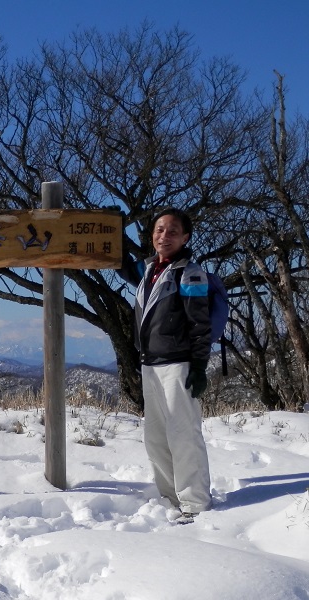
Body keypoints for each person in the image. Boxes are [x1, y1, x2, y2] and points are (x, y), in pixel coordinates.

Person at [120, 207, 212, 517]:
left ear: (186, 237)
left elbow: (200, 324)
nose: (165, 235)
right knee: (156, 437)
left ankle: (195, 504)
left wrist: (199, 367)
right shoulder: (149, 269)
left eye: (173, 231)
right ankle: (170, 498)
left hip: (178, 365)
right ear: (152, 236)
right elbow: (122, 267)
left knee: (183, 435)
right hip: (150, 364)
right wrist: (112, 233)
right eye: (160, 230)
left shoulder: (191, 273)